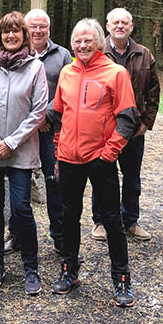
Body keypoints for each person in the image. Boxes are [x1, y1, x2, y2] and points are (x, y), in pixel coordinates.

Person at [51, 18, 138, 308]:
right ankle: (69, 270)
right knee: (69, 216)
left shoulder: (116, 73)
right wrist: (57, 151)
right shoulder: (67, 72)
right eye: (77, 40)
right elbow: (59, 117)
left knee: (112, 219)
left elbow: (127, 120)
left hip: (101, 160)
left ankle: (121, 278)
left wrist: (108, 154)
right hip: (68, 158)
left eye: (88, 40)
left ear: (99, 42)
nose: (82, 45)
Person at [0, 11, 48, 295]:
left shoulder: (35, 67)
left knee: (21, 208)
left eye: (16, 31)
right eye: (6, 31)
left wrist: (11, 143)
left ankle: (31, 268)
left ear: (24, 36)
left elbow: (38, 111)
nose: (11, 36)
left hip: (21, 151)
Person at [3, 9, 72, 256]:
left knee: (55, 182)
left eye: (43, 26)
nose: (38, 31)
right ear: (24, 28)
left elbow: (68, 90)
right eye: (33, 26)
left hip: (50, 130)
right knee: (17, 182)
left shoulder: (62, 55)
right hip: (21, 131)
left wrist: (44, 117)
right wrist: (31, 121)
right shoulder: (16, 54)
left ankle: (60, 236)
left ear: (49, 29)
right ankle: (16, 234)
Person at [91, 8, 160, 243]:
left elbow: (154, 92)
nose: (120, 25)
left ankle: (130, 221)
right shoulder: (98, 54)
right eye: (115, 22)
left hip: (133, 131)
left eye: (125, 22)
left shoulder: (144, 54)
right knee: (102, 176)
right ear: (107, 27)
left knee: (131, 178)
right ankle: (100, 221)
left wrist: (146, 124)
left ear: (131, 27)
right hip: (104, 130)